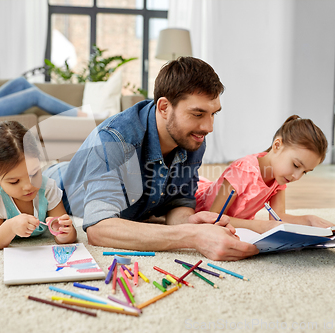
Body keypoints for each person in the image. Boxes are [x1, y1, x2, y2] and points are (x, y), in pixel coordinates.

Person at [44, 57, 259, 261]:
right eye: (197, 114)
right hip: (55, 186)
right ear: (164, 107)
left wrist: (190, 223)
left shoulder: (191, 138)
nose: (208, 127)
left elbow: (178, 202)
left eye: (213, 114)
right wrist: (192, 237)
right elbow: (99, 230)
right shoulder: (115, 139)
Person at [195, 115, 335, 234]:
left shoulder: (279, 178)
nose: (297, 177)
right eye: (296, 165)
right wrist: (259, 226)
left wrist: (309, 220)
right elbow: (214, 218)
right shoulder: (243, 170)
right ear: (277, 145)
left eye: (304, 172)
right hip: (197, 201)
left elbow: (278, 217)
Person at [0, 120, 77, 249]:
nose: (29, 186)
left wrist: (65, 232)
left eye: (34, 174)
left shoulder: (48, 188)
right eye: (14, 182)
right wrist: (10, 227)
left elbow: (65, 237)